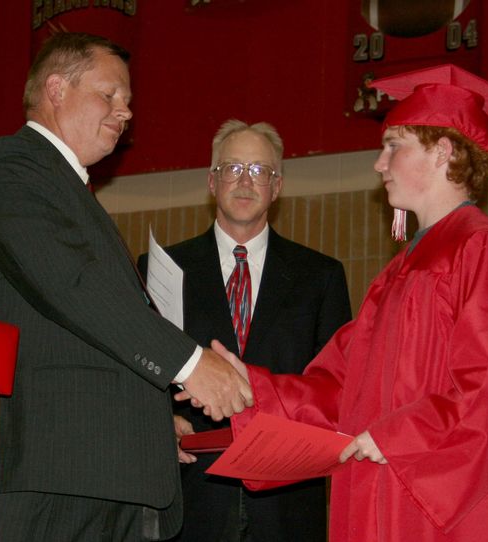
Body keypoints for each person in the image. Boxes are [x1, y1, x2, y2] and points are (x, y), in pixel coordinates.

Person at [205, 65, 488, 541]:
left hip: (445, 513)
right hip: (385, 494)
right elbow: (340, 386)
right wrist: (248, 385)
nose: (379, 163)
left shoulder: (483, 253)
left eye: (395, 145)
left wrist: (397, 434)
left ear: (443, 151)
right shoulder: (398, 274)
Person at [0, 32, 251, 542]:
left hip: (98, 475)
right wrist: (190, 364)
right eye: (110, 95)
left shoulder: (65, 188)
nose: (125, 111)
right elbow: (72, 286)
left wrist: (150, 428)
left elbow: (89, 335)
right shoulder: (11, 163)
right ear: (56, 89)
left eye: (129, 102)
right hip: (56, 476)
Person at [138, 119, 352, 542]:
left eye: (260, 171)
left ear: (277, 187)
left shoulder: (321, 276)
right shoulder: (160, 269)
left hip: (287, 504)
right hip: (192, 497)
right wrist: (162, 423)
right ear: (211, 181)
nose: (245, 181)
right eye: (233, 168)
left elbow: (340, 391)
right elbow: (138, 375)